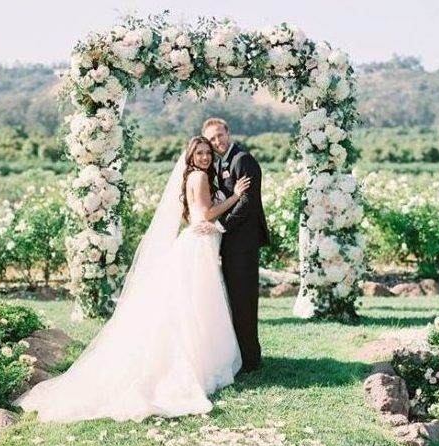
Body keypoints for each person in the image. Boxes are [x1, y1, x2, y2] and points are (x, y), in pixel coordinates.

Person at [15, 136, 250, 422]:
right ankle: (192, 364)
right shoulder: (199, 176)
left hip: (198, 242)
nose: (204, 157)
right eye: (199, 153)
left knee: (191, 305)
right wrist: (236, 196)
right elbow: (203, 215)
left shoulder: (195, 176)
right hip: (198, 245)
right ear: (190, 157)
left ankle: (198, 360)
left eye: (207, 153)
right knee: (194, 305)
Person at [197, 118, 270, 373]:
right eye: (212, 139)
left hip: (243, 245)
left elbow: (247, 202)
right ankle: (242, 355)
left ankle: (251, 360)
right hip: (231, 245)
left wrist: (219, 226)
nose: (217, 141)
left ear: (228, 133)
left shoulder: (242, 160)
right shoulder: (221, 163)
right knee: (234, 302)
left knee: (244, 302)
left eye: (220, 135)